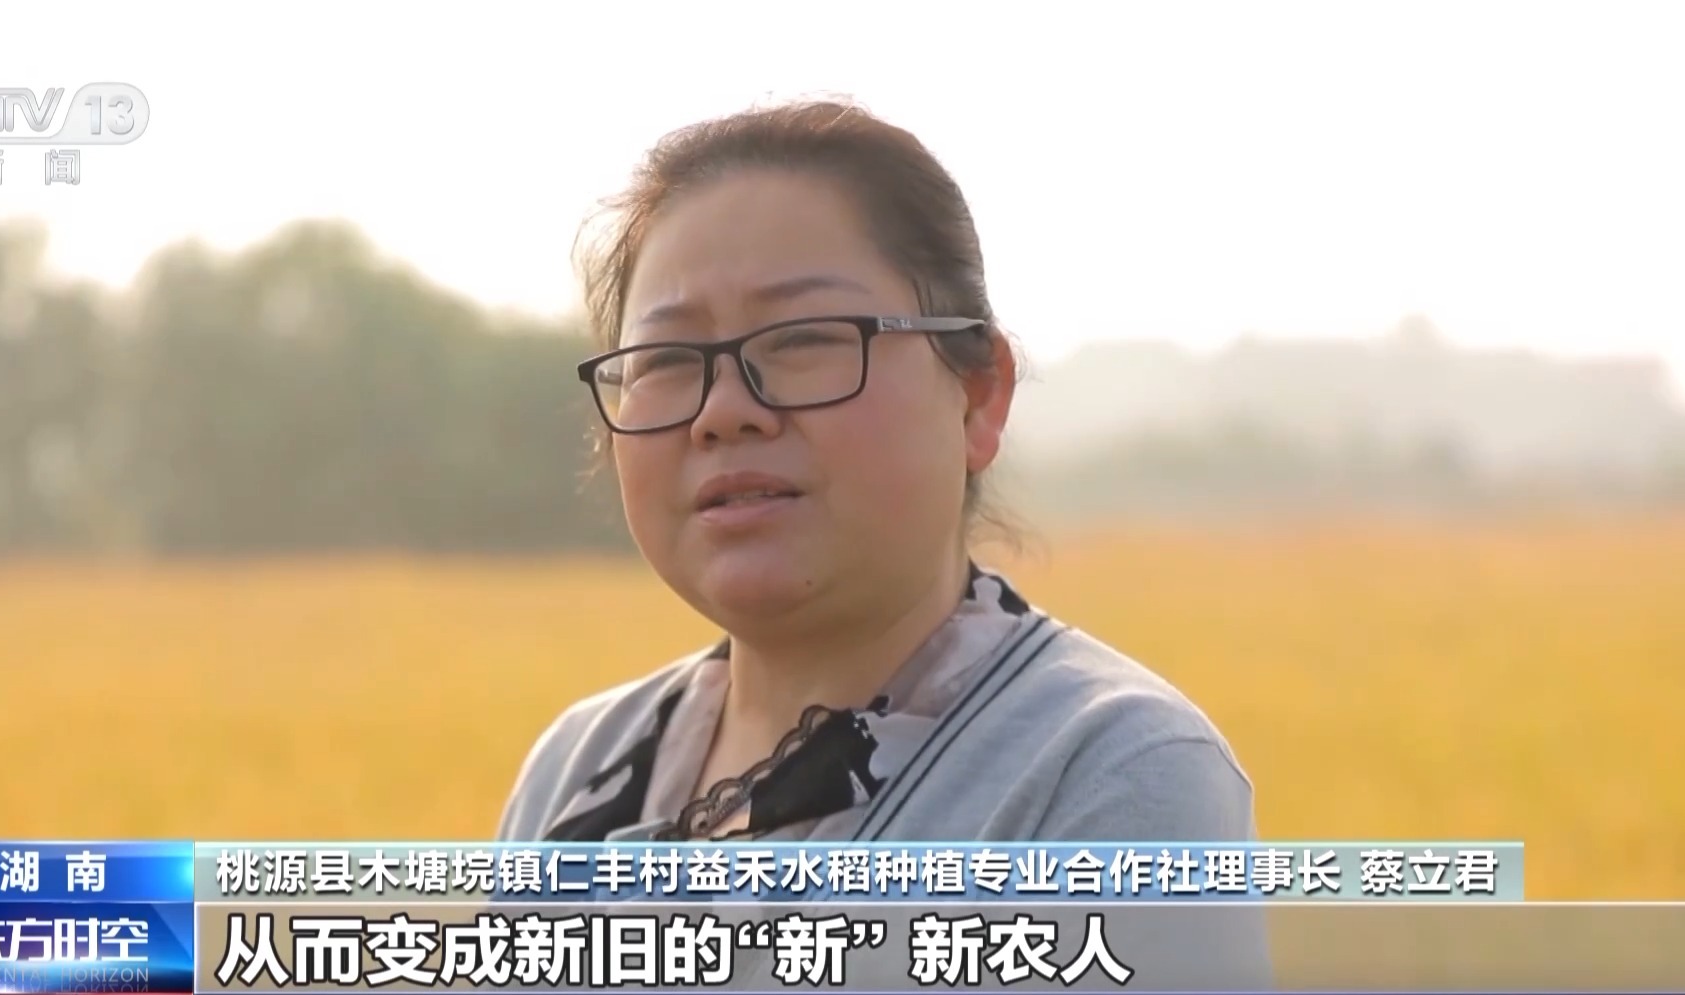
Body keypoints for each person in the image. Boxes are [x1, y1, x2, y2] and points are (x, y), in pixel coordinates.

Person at [497, 96, 1260, 864]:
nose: (723, 412)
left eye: (804, 339)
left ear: (977, 396)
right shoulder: (577, 769)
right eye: (664, 359)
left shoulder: (1109, 769)